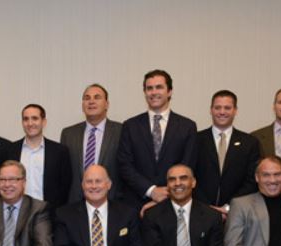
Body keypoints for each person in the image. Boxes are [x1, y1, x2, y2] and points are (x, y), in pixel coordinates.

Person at [117, 69, 197, 210]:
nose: (154, 92)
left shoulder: (187, 126)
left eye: (159, 87)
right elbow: (124, 165)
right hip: (136, 203)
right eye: (149, 88)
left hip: (175, 203)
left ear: (170, 91)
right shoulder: (130, 126)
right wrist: (151, 190)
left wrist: (166, 193)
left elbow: (187, 165)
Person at [194, 90, 260, 215]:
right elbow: (190, 175)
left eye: (227, 108)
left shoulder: (250, 142)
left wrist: (229, 207)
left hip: (238, 212)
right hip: (201, 212)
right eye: (217, 107)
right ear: (211, 110)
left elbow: (251, 180)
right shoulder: (196, 140)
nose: (222, 112)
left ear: (235, 110)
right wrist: (207, 207)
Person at [60, 84, 123, 203]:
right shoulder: (68, 134)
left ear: (107, 104)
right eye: (87, 98)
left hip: (112, 202)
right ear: (82, 105)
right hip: (75, 204)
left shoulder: (121, 131)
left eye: (97, 97)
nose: (91, 101)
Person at [3, 104, 71, 211]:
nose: (30, 123)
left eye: (35, 118)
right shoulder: (10, 150)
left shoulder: (59, 151)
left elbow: (65, 186)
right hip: (17, 214)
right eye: (26, 119)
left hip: (49, 215)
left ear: (44, 122)